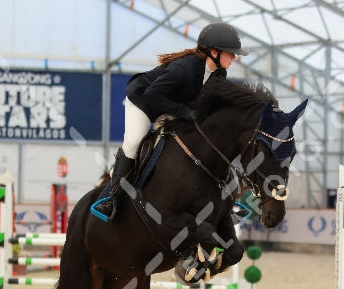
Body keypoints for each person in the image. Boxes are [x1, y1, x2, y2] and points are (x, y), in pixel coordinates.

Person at [91, 22, 248, 222]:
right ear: (214, 52)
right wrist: (184, 111)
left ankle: (224, 198)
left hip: (171, 105)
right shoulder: (183, 69)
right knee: (133, 142)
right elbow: (151, 95)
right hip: (144, 102)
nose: (235, 57)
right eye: (231, 53)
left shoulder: (219, 73)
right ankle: (111, 199)